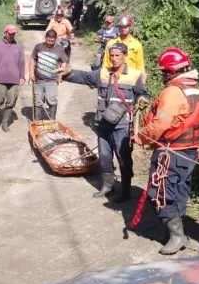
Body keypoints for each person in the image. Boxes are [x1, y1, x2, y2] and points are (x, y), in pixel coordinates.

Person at [55, 43, 149, 202]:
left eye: (118, 55)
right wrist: (69, 73)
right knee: (105, 157)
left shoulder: (134, 75)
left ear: (125, 56)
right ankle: (107, 186)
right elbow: (84, 77)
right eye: (112, 55)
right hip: (103, 123)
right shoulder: (103, 73)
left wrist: (142, 99)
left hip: (122, 126)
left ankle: (126, 190)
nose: (114, 58)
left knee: (123, 157)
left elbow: (142, 93)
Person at [134, 47, 199, 255]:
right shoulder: (193, 89)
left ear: (172, 71)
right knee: (180, 190)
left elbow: (160, 124)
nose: (163, 76)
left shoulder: (174, 92)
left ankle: (176, 235)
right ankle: (178, 231)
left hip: (171, 152)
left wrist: (140, 137)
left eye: (164, 72)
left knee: (161, 192)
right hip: (188, 151)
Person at [0, 24, 26, 132]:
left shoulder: (19, 47)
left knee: (11, 101)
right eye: (10, 33)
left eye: (13, 33)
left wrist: (22, 76)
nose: (12, 35)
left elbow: (22, 63)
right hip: (0, 78)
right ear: (5, 33)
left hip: (14, 79)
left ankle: (5, 124)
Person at [29, 29, 69, 120]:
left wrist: (60, 74)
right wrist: (31, 73)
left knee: (51, 99)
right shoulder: (38, 47)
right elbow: (32, 60)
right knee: (38, 100)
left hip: (52, 80)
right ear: (45, 38)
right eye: (48, 40)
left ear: (56, 39)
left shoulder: (60, 49)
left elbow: (64, 62)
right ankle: (37, 121)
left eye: (52, 41)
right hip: (38, 79)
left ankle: (52, 120)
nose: (50, 43)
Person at [101, 14, 146, 79]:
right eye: (121, 27)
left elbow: (140, 65)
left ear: (130, 26)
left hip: (130, 79)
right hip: (113, 78)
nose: (123, 29)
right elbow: (105, 64)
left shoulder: (136, 45)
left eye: (125, 26)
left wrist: (142, 81)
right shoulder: (111, 43)